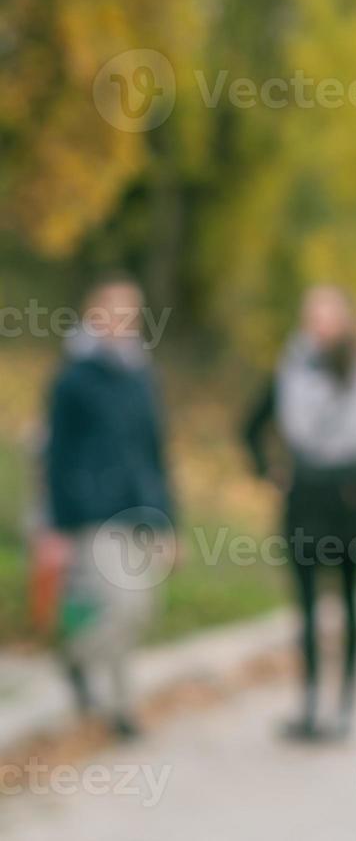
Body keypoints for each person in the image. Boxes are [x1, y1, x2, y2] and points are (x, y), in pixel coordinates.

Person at [244, 284, 356, 741]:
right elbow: (249, 428)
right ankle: (308, 705)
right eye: (312, 315)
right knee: (305, 611)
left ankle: (343, 710)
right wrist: (270, 471)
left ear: (344, 321)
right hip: (302, 503)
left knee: (349, 606)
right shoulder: (288, 372)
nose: (320, 324)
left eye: (329, 315)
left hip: (348, 508)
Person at [43, 274, 176, 739]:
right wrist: (58, 526)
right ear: (94, 315)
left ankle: (87, 669)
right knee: (122, 606)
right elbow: (56, 455)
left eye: (131, 311)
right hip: (94, 514)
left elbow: (156, 450)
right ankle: (115, 701)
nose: (123, 320)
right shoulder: (73, 379)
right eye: (114, 310)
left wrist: (170, 524)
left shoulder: (142, 375)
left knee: (142, 611)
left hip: (142, 511)